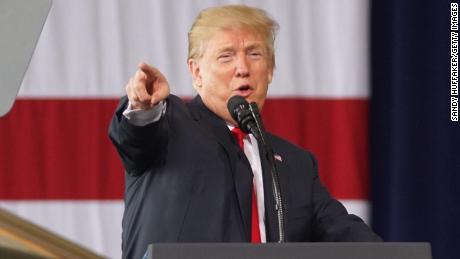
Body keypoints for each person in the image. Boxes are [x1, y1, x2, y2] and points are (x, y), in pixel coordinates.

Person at [109, 5, 382, 259]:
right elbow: (136, 138)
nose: (243, 69)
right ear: (197, 72)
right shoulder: (169, 123)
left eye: (254, 54)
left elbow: (343, 234)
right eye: (226, 56)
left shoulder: (296, 164)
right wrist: (143, 108)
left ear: (271, 69)